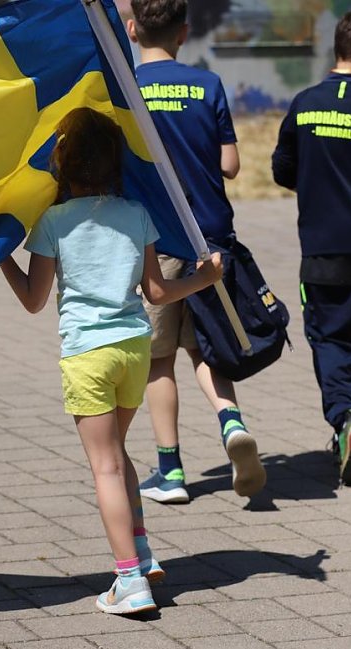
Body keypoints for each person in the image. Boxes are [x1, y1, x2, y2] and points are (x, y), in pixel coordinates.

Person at [0, 107, 222, 615]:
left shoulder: (54, 221)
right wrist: (204, 279)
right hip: (134, 350)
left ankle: (129, 581)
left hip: (88, 355)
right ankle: (141, 553)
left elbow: (34, 300)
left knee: (105, 467)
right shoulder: (136, 213)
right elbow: (157, 291)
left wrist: (0, 257)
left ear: (61, 163)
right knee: (117, 455)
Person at [127, 0, 266, 503]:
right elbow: (230, 165)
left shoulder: (124, 88)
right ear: (184, 33)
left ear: (132, 29)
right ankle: (231, 423)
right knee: (205, 346)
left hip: (156, 239)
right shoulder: (208, 84)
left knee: (158, 359)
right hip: (211, 238)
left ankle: (170, 473)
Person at [272, 6, 351, 485]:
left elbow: (282, 170)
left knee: (332, 340)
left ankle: (346, 418)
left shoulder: (304, 103)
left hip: (323, 254)